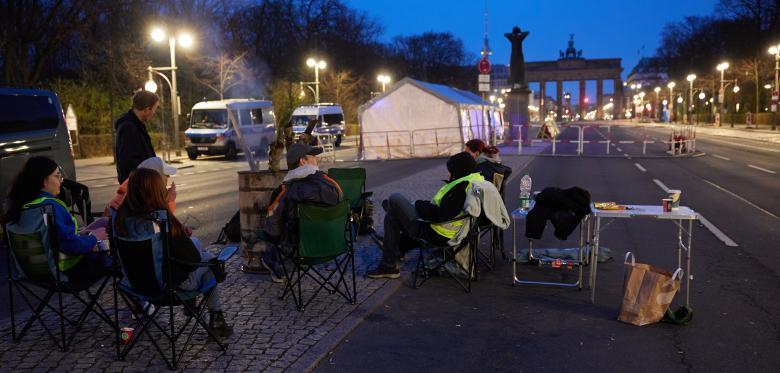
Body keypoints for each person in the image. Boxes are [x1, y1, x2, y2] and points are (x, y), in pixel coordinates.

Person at [113, 168, 233, 339]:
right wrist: (168, 212)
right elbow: (192, 258)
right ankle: (216, 319)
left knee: (204, 257)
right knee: (209, 263)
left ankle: (207, 313)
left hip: (135, 287)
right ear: (156, 193)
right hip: (166, 289)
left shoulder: (119, 221)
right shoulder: (160, 223)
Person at [367, 152, 485, 279]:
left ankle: (389, 263)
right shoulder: (474, 180)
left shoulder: (461, 187)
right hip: (447, 229)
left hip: (437, 232)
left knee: (395, 198)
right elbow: (446, 211)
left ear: (458, 170)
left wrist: (418, 204)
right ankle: (390, 261)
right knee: (393, 215)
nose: (448, 174)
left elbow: (441, 215)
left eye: (450, 171)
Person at [2, 156, 111, 284]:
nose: (61, 180)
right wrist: (94, 238)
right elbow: (72, 247)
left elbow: (49, 238)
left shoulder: (18, 206)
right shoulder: (51, 206)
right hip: (66, 273)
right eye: (57, 175)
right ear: (44, 181)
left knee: (98, 226)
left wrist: (81, 234)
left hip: (31, 274)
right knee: (112, 250)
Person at [246, 143, 343, 281]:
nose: (317, 160)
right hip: (335, 244)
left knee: (271, 232)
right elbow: (342, 201)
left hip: (301, 251)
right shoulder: (331, 184)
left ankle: (279, 267)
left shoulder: (283, 191)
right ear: (303, 161)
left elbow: (272, 229)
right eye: (313, 157)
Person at [115, 90, 159, 183]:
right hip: (138, 188)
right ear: (146, 110)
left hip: (142, 185)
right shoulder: (129, 128)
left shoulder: (136, 126)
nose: (154, 113)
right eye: (154, 110)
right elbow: (128, 164)